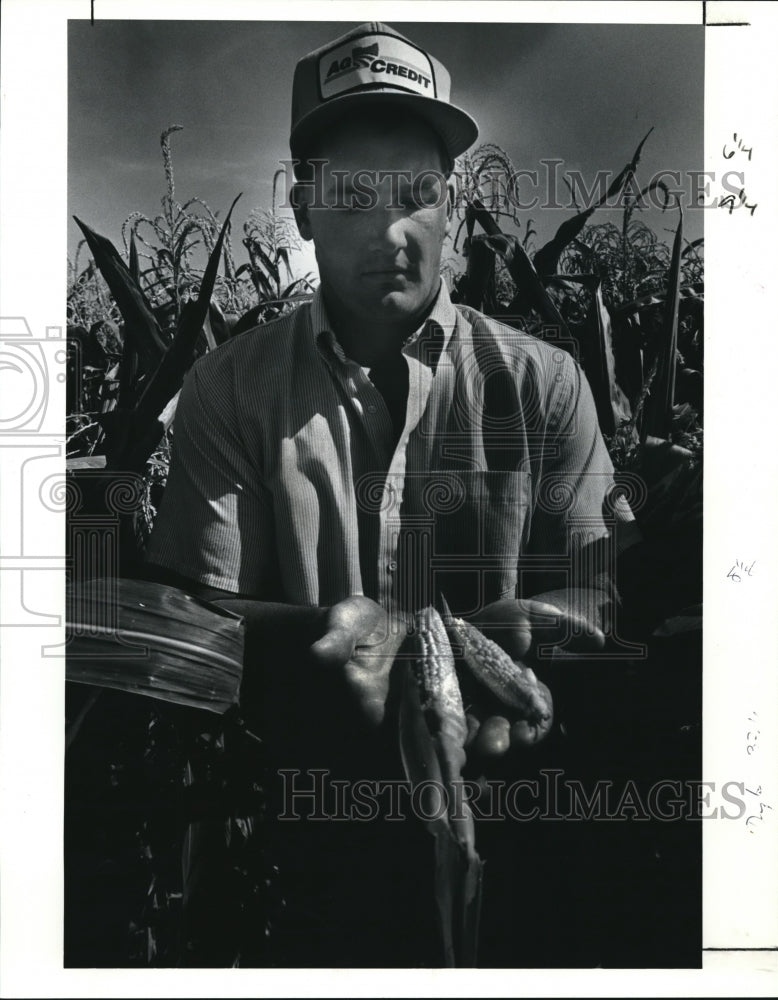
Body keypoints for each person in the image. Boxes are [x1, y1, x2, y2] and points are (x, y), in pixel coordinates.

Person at [144, 21, 638, 967]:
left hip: (518, 806)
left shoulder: (546, 384)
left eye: (417, 196)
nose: (391, 231)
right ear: (302, 208)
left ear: (453, 206)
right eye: (353, 197)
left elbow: (596, 590)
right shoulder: (228, 388)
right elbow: (201, 611)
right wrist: (339, 629)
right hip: (301, 828)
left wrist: (495, 645)